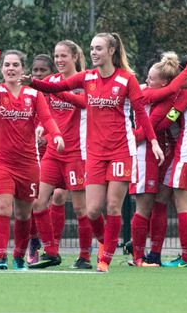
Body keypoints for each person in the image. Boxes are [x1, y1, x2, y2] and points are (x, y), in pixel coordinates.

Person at [21, 33, 164, 272]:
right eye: (92, 49)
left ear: (111, 51)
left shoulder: (127, 80)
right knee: (92, 210)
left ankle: (104, 259)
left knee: (113, 206)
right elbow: (57, 86)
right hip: (95, 153)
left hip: (120, 150)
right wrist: (32, 82)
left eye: (98, 48)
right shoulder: (87, 77)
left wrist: (154, 142)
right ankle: (103, 242)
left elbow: (141, 114)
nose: (94, 53)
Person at [0, 50, 64, 270]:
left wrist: (55, 135)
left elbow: (47, 118)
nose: (11, 68)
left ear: (22, 69)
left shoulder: (33, 95)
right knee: (2, 209)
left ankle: (19, 255)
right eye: (7, 65)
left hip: (28, 164)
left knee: (23, 213)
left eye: (15, 65)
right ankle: (1, 257)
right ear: (2, 69)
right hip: (1, 162)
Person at [128, 52, 187, 267]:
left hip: (172, 155)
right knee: (162, 201)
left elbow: (155, 126)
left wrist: (124, 137)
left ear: (163, 82)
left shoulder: (178, 96)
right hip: (173, 154)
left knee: (170, 204)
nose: (146, 82)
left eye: (151, 78)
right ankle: (155, 254)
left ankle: (182, 255)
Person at [28, 40, 94, 269]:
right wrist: (40, 128)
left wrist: (60, 91)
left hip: (77, 153)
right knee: (38, 203)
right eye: (56, 56)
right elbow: (42, 110)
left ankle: (85, 255)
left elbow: (85, 103)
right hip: (54, 153)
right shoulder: (50, 82)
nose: (59, 60)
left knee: (80, 208)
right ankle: (51, 252)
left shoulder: (85, 81)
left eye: (63, 56)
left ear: (75, 57)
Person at [26, 54, 56, 264]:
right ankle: (34, 242)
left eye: (42, 71)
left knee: (57, 199)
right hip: (30, 153)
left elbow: (59, 120)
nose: (38, 74)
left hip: (53, 152)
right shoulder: (28, 93)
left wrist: (48, 136)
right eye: (35, 70)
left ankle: (53, 245)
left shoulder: (54, 93)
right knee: (32, 202)